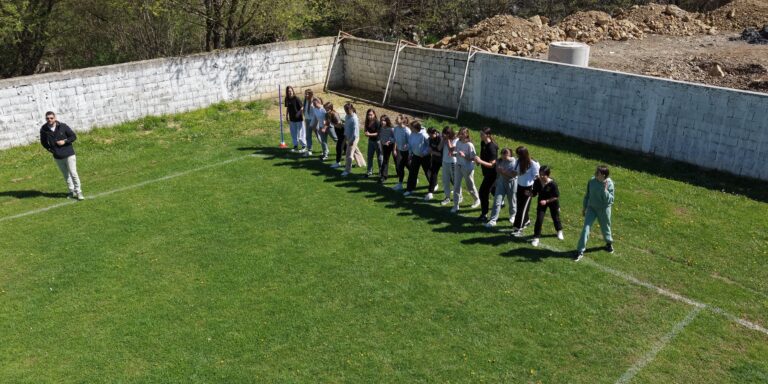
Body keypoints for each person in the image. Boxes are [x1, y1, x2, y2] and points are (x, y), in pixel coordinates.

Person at [39, 111, 84, 200]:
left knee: (73, 173)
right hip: (57, 156)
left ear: (55, 118)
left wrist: (65, 141)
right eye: (47, 118)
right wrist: (51, 150)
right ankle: (71, 191)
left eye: (51, 118)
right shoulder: (44, 129)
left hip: (69, 154)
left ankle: (79, 192)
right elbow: (43, 142)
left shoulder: (63, 126)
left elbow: (73, 136)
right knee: (66, 175)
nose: (49, 120)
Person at [575, 165, 615, 261]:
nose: (596, 174)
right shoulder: (592, 181)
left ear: (604, 175)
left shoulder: (609, 184)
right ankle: (580, 250)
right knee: (586, 228)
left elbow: (610, 200)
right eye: (596, 172)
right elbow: (587, 195)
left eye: (598, 173)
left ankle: (609, 244)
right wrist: (584, 207)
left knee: (606, 227)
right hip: (591, 208)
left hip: (603, 209)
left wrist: (604, 191)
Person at [530, 166, 564, 247]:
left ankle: (559, 231)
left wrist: (546, 201)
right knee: (539, 219)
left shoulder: (552, 184)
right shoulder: (537, 182)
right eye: (540, 174)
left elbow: (556, 196)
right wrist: (530, 194)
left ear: (548, 175)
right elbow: (534, 192)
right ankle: (536, 237)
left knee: (555, 217)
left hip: (552, 201)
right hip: (541, 202)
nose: (541, 176)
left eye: (543, 175)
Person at [511, 146, 540, 236]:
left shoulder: (533, 163)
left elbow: (537, 177)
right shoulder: (518, 161)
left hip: (528, 189)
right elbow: (515, 172)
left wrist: (534, 191)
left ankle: (518, 228)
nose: (517, 156)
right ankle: (526, 221)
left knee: (521, 209)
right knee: (520, 206)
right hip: (520, 186)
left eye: (519, 154)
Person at [485, 148, 517, 228]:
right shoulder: (499, 161)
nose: (504, 156)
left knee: (512, 200)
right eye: (502, 154)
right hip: (501, 182)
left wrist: (503, 172)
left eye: (506, 154)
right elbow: (498, 173)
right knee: (497, 201)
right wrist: (495, 183)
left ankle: (513, 216)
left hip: (511, 183)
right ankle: (493, 220)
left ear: (510, 154)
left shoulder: (514, 162)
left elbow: (514, 175)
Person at [451, 127, 480, 213]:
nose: (461, 134)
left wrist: (464, 155)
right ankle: (456, 206)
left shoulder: (469, 145)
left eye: (463, 133)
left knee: (470, 186)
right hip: (458, 166)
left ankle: (477, 199)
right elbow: (456, 152)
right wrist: (454, 154)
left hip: (467, 168)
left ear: (467, 134)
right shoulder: (458, 142)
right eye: (460, 133)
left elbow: (473, 158)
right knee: (456, 186)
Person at [473, 127, 498, 222]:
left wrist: (480, 161)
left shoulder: (492, 147)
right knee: (494, 191)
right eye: (480, 133)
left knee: (483, 192)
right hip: (486, 172)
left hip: (492, 174)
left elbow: (492, 165)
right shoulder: (483, 143)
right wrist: (478, 160)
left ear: (487, 135)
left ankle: (484, 214)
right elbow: (483, 157)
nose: (480, 135)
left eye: (482, 134)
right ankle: (502, 199)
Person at [404, 121, 431, 198]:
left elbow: (430, 145)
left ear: (415, 128)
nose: (410, 129)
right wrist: (409, 150)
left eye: (411, 127)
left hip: (424, 157)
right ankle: (409, 189)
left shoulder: (424, 135)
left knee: (427, 171)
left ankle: (433, 185)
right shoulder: (412, 134)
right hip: (415, 156)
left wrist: (425, 152)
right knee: (412, 172)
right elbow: (410, 143)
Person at [341, 103, 366, 176]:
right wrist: (345, 137)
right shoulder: (347, 116)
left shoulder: (354, 119)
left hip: (354, 138)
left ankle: (347, 170)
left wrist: (351, 141)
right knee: (356, 151)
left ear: (351, 109)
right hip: (348, 137)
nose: (346, 111)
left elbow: (356, 133)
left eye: (347, 110)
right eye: (345, 110)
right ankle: (362, 163)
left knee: (349, 154)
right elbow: (346, 127)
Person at [439, 127, 459, 206]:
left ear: (449, 134)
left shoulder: (456, 140)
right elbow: (439, 148)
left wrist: (447, 140)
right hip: (445, 162)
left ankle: (459, 196)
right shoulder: (445, 139)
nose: (444, 135)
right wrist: (443, 140)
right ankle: (447, 197)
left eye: (446, 134)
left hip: (452, 162)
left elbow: (451, 150)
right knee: (445, 180)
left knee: (455, 181)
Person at [391, 115, 411, 191]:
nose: (395, 119)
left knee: (403, 166)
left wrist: (407, 145)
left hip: (407, 152)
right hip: (400, 151)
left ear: (402, 120)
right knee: (402, 166)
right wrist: (391, 140)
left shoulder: (407, 130)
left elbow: (411, 142)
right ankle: (400, 184)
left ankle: (402, 183)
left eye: (397, 118)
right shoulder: (396, 129)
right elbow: (395, 139)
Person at [284, 86, 305, 153]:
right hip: (292, 119)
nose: (290, 92)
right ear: (287, 92)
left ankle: (304, 146)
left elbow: (302, 107)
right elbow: (287, 107)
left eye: (291, 91)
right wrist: (287, 116)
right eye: (288, 91)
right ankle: (295, 146)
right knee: (293, 133)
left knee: (301, 133)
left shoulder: (296, 98)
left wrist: (299, 113)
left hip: (299, 119)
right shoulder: (286, 99)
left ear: (293, 91)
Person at [363, 109, 383, 178]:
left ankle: (381, 172)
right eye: (368, 115)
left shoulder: (377, 122)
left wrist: (369, 134)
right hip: (370, 141)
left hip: (377, 142)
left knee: (379, 157)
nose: (369, 116)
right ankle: (369, 171)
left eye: (371, 114)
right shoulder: (367, 121)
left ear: (374, 114)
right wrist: (366, 132)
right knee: (369, 157)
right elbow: (365, 129)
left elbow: (378, 133)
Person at [325, 102, 345, 168]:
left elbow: (340, 125)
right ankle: (352, 155)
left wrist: (332, 123)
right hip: (338, 131)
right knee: (344, 145)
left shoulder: (334, 114)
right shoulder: (328, 114)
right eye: (325, 108)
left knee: (338, 147)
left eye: (327, 108)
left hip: (341, 131)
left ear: (331, 108)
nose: (326, 110)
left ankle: (337, 162)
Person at [378, 115, 395, 184]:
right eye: (381, 120)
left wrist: (394, 149)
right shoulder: (381, 128)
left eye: (384, 120)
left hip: (392, 145)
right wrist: (382, 146)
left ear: (387, 121)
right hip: (385, 146)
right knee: (385, 160)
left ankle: (399, 174)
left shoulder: (391, 129)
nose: (382, 122)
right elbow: (381, 138)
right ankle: (384, 176)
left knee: (397, 161)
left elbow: (395, 138)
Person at [426, 127, 442, 200]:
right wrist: (430, 149)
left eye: (431, 135)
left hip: (443, 160)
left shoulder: (440, 139)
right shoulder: (430, 139)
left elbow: (441, 154)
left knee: (449, 176)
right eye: (429, 135)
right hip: (435, 159)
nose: (430, 137)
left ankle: (456, 188)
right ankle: (430, 192)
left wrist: (432, 152)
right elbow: (430, 146)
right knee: (433, 174)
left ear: (435, 133)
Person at [302, 89, 315, 157]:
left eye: (307, 94)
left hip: (314, 121)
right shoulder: (305, 101)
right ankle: (309, 150)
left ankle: (325, 150)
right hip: (307, 120)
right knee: (308, 136)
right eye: (305, 94)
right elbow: (304, 109)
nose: (306, 95)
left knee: (319, 136)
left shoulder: (314, 101)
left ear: (311, 94)